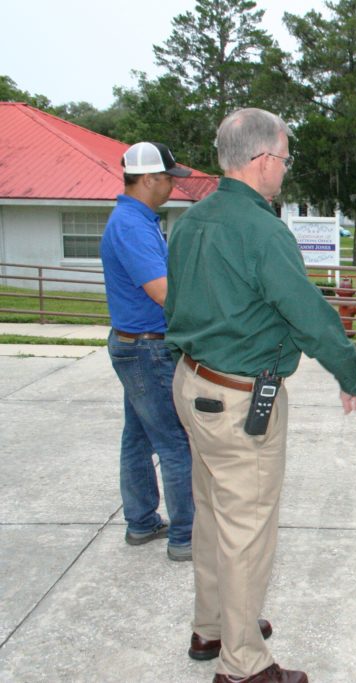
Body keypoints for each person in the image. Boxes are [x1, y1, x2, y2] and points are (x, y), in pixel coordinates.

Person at [166, 108, 356, 683]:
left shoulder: (189, 221)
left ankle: (214, 627)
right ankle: (244, 664)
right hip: (238, 398)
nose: (284, 169)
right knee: (247, 532)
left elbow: (176, 305)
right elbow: (306, 312)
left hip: (194, 382)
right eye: (283, 158)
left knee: (214, 517)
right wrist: (350, 375)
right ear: (261, 161)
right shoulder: (262, 230)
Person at [101, 141, 195, 562]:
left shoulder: (137, 219)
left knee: (138, 437)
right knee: (175, 442)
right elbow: (162, 293)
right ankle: (186, 536)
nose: (173, 186)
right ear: (150, 179)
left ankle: (141, 521)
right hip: (147, 347)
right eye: (170, 179)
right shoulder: (132, 226)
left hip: (133, 343)